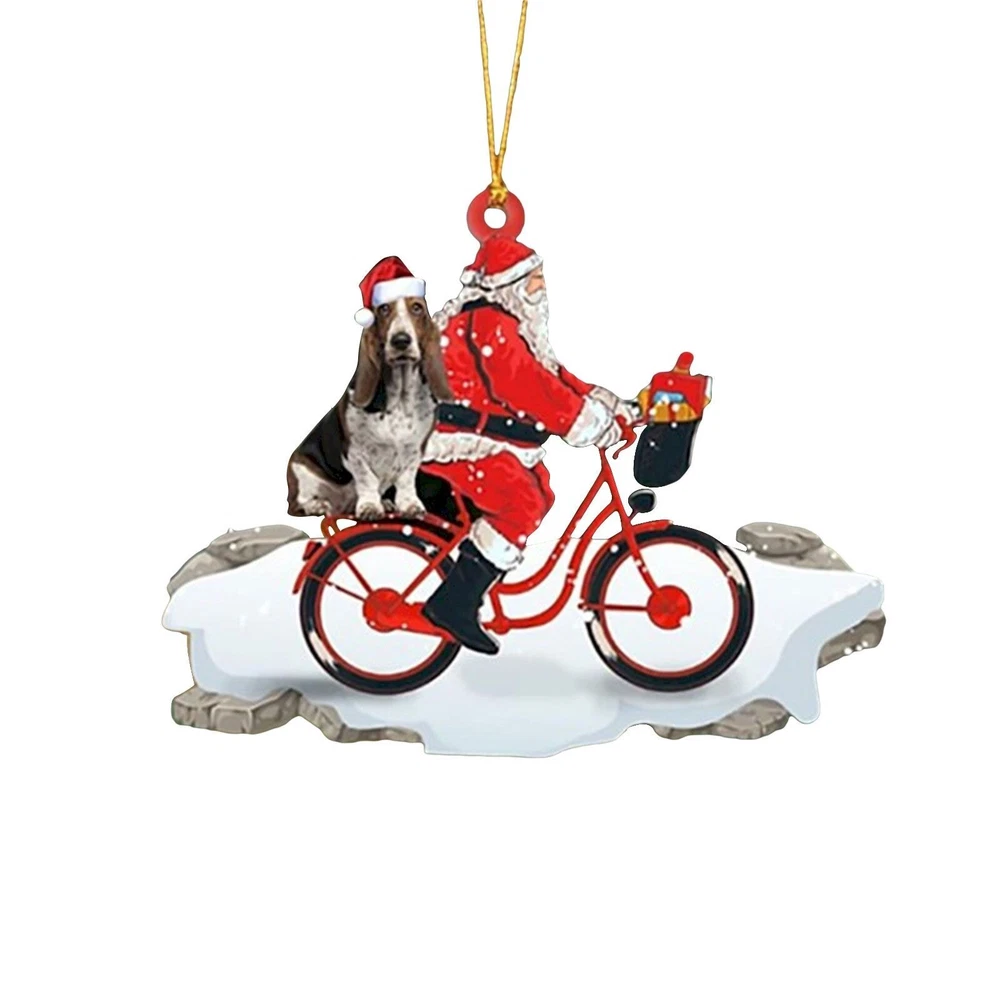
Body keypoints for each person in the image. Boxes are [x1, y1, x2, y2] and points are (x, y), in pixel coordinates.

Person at [420, 236, 638, 654]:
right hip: (458, 445)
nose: (542, 287)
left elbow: (553, 376)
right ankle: (454, 603)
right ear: (511, 284)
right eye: (534, 279)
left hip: (487, 439)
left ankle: (475, 574)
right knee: (520, 501)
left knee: (538, 490)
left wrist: (613, 407)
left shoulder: (511, 323)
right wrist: (586, 424)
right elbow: (527, 386)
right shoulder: (488, 324)